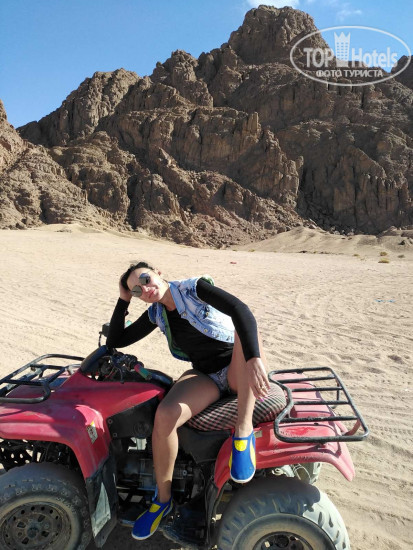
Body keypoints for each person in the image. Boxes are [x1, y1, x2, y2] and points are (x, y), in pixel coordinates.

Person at [106, 261, 270, 541]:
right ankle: (163, 500)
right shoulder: (156, 313)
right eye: (136, 290)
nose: (145, 289)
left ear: (158, 272)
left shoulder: (194, 289)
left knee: (244, 331)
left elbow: (240, 310)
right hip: (206, 375)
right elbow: (116, 340)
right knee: (165, 415)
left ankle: (243, 433)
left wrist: (254, 358)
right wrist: (123, 300)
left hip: (237, 368)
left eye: (145, 279)